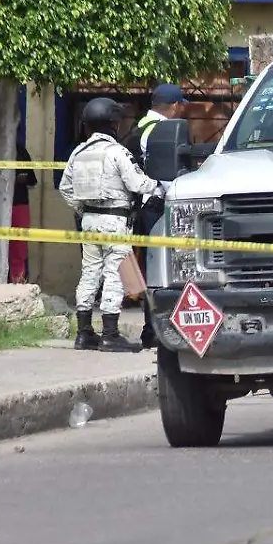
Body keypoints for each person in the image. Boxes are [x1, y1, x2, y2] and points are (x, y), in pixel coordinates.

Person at [58, 97, 166, 353]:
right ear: (114, 124)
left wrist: (83, 210)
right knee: (114, 274)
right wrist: (159, 187)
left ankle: (84, 333)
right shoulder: (117, 152)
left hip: (88, 221)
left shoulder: (78, 152)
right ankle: (110, 335)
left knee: (89, 273)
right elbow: (138, 183)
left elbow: (65, 188)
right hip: (115, 221)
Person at [123, 83, 187, 348]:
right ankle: (155, 330)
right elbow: (165, 174)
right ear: (174, 106)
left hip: (140, 206)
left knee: (149, 268)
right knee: (162, 268)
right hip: (156, 206)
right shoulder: (161, 131)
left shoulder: (139, 128)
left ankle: (152, 329)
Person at [9, 139, 38, 283]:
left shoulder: (19, 151)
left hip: (18, 204)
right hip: (5, 204)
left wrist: (20, 179)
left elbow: (32, 181)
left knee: (18, 248)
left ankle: (18, 285)